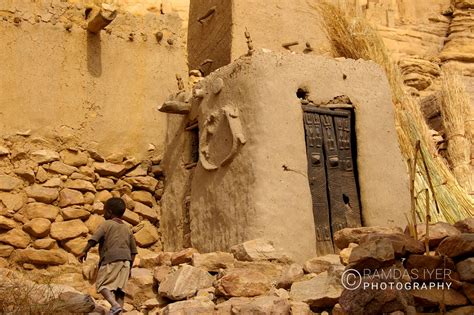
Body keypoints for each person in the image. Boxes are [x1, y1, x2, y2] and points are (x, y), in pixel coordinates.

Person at [78, 197, 138, 315]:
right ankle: (118, 311)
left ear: (109, 212)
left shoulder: (107, 224)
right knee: (120, 290)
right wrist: (130, 266)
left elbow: (94, 238)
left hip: (111, 259)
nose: (103, 214)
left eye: (104, 211)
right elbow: (133, 251)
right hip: (126, 261)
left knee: (101, 285)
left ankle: (114, 305)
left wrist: (84, 251)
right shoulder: (127, 228)